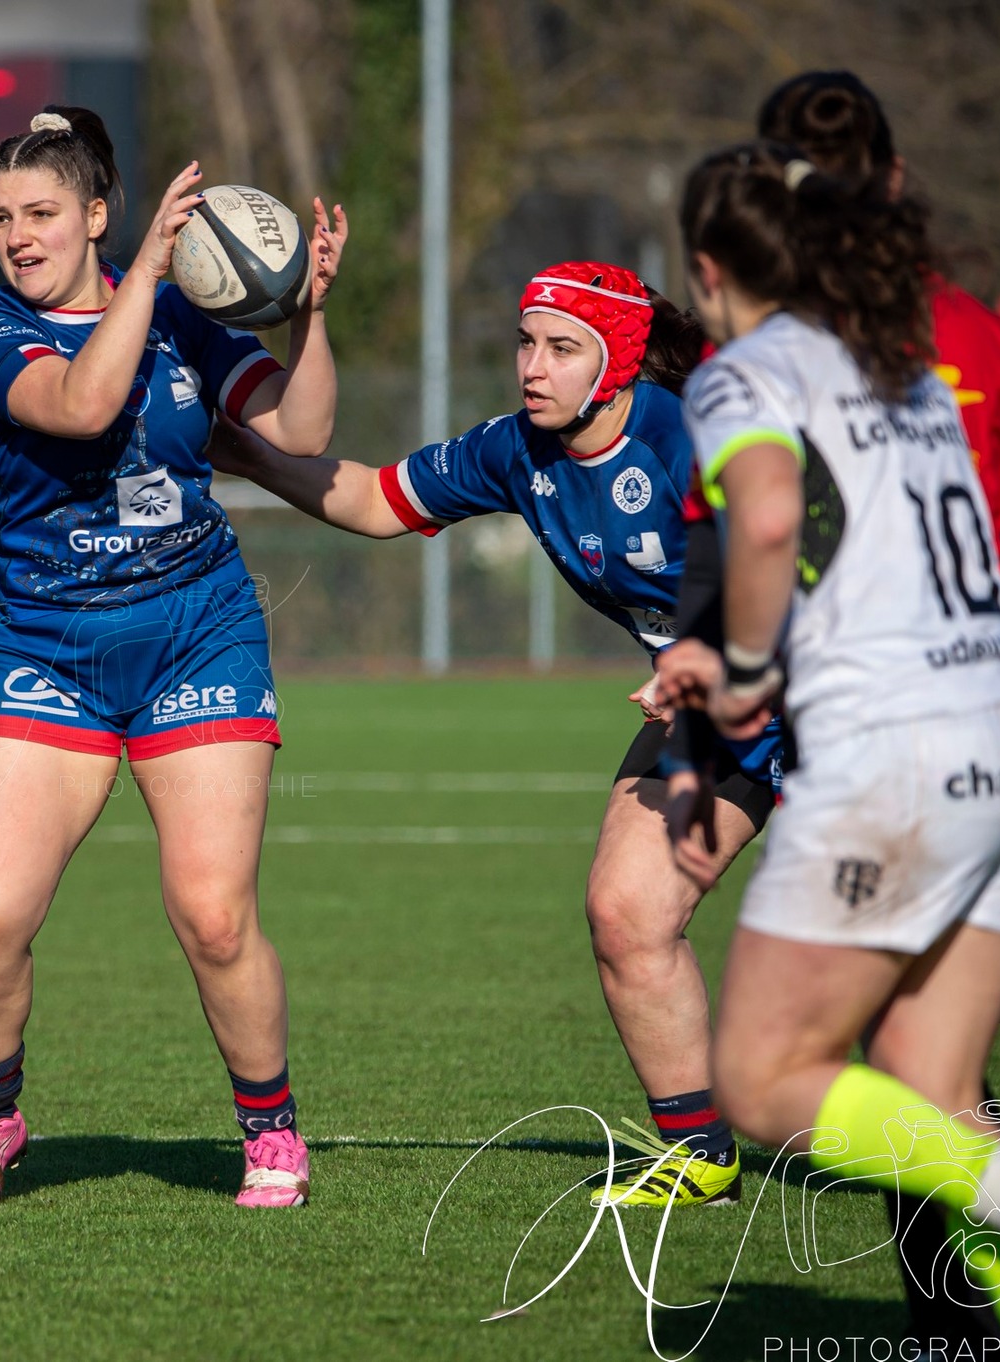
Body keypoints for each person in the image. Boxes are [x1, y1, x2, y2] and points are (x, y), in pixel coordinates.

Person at [211, 261, 777, 1208]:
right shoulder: (519, 451)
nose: (532, 366)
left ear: (619, 360)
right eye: (526, 342)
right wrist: (255, 457)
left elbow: (803, 556)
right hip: (714, 718)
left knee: (933, 955)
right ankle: (699, 1150)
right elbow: (377, 500)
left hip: (842, 698)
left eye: (562, 348)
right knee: (627, 915)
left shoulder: (696, 436)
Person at [658, 140, 1000, 1348]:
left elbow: (773, 520)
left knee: (764, 1079)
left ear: (705, 265)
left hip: (903, 751)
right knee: (929, 1098)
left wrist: (733, 678)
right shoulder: (906, 364)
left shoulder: (744, 373)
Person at [0, 106, 343, 1208]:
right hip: (48, 650)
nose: (17, 236)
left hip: (194, 632)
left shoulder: (183, 314)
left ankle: (268, 1132)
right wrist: (142, 285)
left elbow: (299, 435)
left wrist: (305, 313)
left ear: (95, 215)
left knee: (213, 916)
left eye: (40, 212)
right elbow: (79, 405)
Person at [756, 68, 1000, 1097]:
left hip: (910, 700)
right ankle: (999, 1218)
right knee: (920, 1000)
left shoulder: (782, 350)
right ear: (891, 180)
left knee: (829, 1046)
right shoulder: (974, 331)